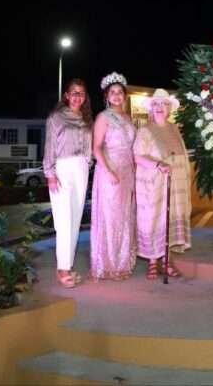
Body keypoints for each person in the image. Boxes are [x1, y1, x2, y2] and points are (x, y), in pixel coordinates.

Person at [134, 88, 192, 280]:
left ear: (169, 109)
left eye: (164, 104)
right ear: (151, 108)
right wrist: (158, 164)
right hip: (153, 184)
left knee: (169, 219)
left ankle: (166, 261)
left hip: (174, 185)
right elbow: (138, 156)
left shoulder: (174, 128)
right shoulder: (145, 130)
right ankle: (153, 262)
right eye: (156, 104)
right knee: (153, 219)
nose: (160, 107)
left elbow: (180, 153)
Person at [44, 78, 93, 288]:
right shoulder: (56, 117)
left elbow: (90, 147)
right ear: (66, 95)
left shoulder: (86, 118)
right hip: (62, 168)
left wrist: (87, 163)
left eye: (81, 93)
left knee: (75, 220)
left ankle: (68, 265)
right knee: (63, 220)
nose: (77, 97)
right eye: (74, 92)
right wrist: (50, 173)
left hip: (81, 169)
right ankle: (62, 269)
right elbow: (49, 145)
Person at [89, 72, 137, 281]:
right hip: (110, 171)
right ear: (107, 97)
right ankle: (108, 265)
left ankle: (122, 264)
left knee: (125, 217)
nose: (116, 96)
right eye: (112, 93)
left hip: (128, 172)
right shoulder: (103, 117)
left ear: (125, 96)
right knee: (111, 218)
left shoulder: (129, 118)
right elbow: (96, 148)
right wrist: (108, 171)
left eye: (120, 92)